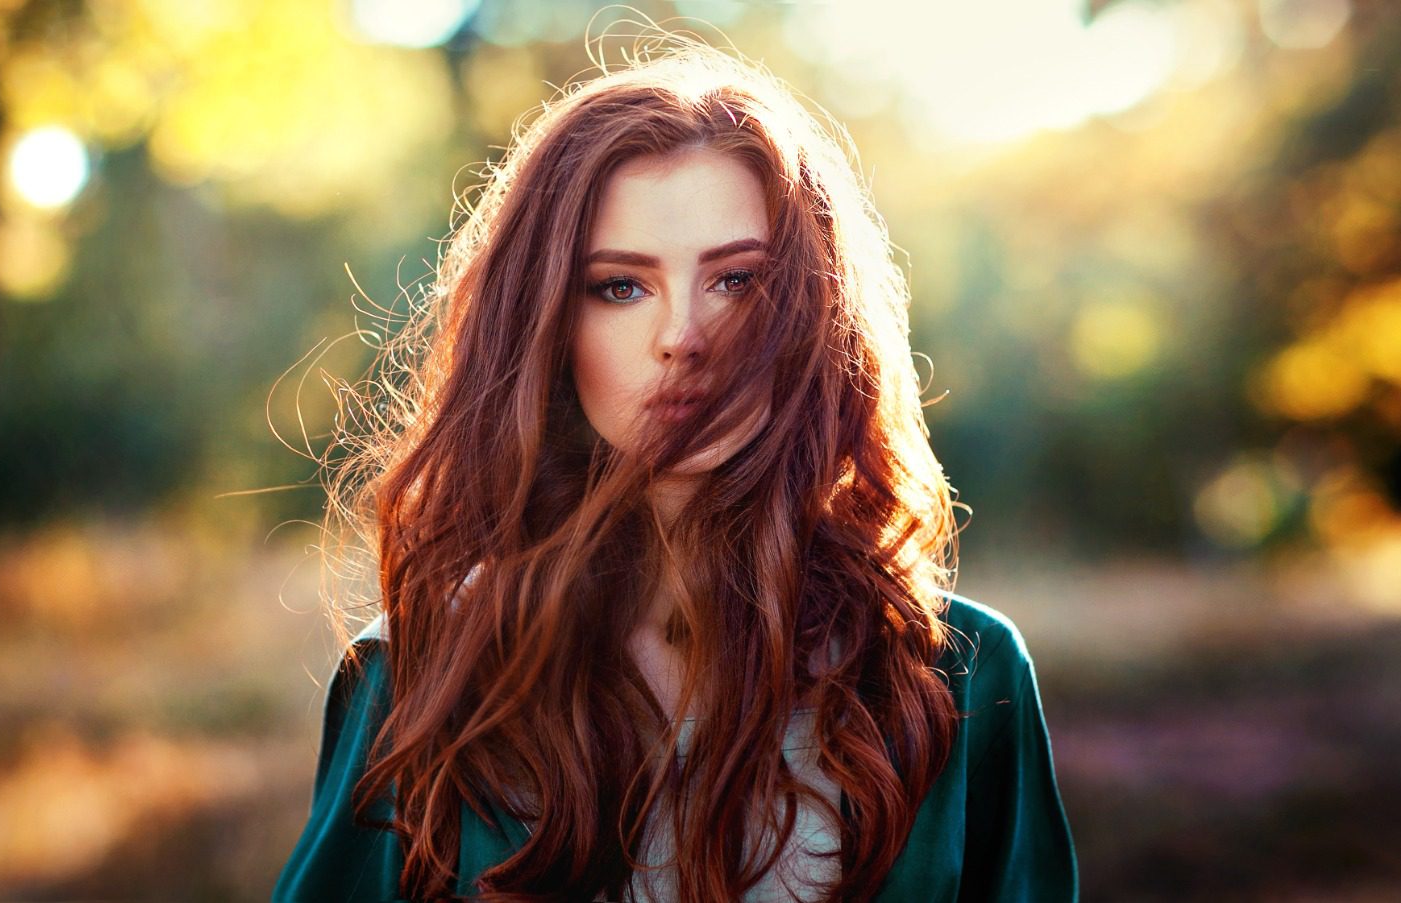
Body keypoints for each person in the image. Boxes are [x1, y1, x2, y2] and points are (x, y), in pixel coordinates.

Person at [273, 31, 1077, 903]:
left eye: (736, 280)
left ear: (815, 312)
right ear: (546, 323)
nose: (682, 337)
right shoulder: (420, 672)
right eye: (621, 285)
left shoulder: (960, 673)